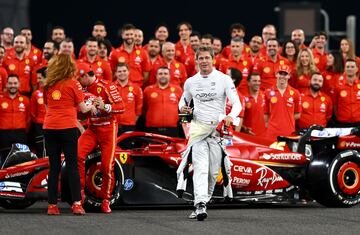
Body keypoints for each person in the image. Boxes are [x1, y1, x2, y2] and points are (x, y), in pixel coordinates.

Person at [177, 46, 241, 221]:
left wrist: (231, 115)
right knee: (200, 168)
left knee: (213, 173)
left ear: (213, 59)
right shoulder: (190, 82)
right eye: (201, 58)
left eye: (207, 58)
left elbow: (237, 104)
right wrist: (182, 107)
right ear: (196, 60)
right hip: (197, 129)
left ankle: (203, 200)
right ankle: (200, 205)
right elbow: (183, 100)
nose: (204, 61)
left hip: (217, 132)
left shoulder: (224, 79)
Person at [43, 54, 95, 215]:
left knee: (54, 168)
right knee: (72, 166)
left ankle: (52, 205)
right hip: (67, 128)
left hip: (49, 128)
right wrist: (93, 102)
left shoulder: (48, 85)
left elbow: (47, 106)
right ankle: (77, 204)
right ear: (70, 67)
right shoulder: (74, 84)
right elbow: (83, 109)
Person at [76, 62, 124, 213]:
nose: (77, 81)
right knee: (77, 155)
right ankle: (80, 194)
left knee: (106, 165)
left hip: (108, 128)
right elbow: (79, 113)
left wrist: (105, 107)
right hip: (92, 129)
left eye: (79, 78)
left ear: (85, 76)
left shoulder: (106, 86)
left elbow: (122, 106)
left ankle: (105, 199)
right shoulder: (81, 89)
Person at [264, 64, 301, 140]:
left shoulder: (295, 93)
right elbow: (265, 114)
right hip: (272, 133)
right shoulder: (267, 92)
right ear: (276, 74)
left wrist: (286, 119)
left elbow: (298, 114)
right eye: (280, 73)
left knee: (287, 152)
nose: (282, 76)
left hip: (289, 132)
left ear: (289, 76)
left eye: (285, 74)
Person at [143, 66, 182, 137]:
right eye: (160, 74)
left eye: (165, 74)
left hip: (173, 129)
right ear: (156, 76)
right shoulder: (148, 90)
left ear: (170, 76)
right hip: (152, 129)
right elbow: (144, 109)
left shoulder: (178, 90)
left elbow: (182, 108)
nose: (163, 76)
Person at [0, 75, 30, 164]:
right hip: (4, 135)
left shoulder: (25, 100)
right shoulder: (0, 99)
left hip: (20, 134)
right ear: (6, 84)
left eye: (15, 83)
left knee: (21, 160)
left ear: (19, 84)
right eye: (10, 83)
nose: (13, 85)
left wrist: (23, 130)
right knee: (4, 160)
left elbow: (28, 119)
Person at [112, 63, 143, 135]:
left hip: (129, 125)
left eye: (124, 71)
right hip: (112, 125)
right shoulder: (110, 87)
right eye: (119, 71)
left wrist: (130, 121)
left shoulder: (137, 88)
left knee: (127, 146)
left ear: (128, 72)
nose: (122, 73)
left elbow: (138, 110)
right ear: (115, 73)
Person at [334, 59, 360, 127]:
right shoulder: (338, 85)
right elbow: (335, 105)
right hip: (342, 122)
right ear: (344, 69)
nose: (350, 69)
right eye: (347, 67)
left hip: (358, 122)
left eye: (352, 67)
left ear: (357, 69)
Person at [30, 67, 47, 157]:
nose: (38, 80)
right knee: (41, 152)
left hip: (54, 126)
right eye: (37, 78)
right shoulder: (35, 94)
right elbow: (32, 113)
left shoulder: (55, 92)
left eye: (40, 78)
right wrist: (39, 122)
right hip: (40, 127)